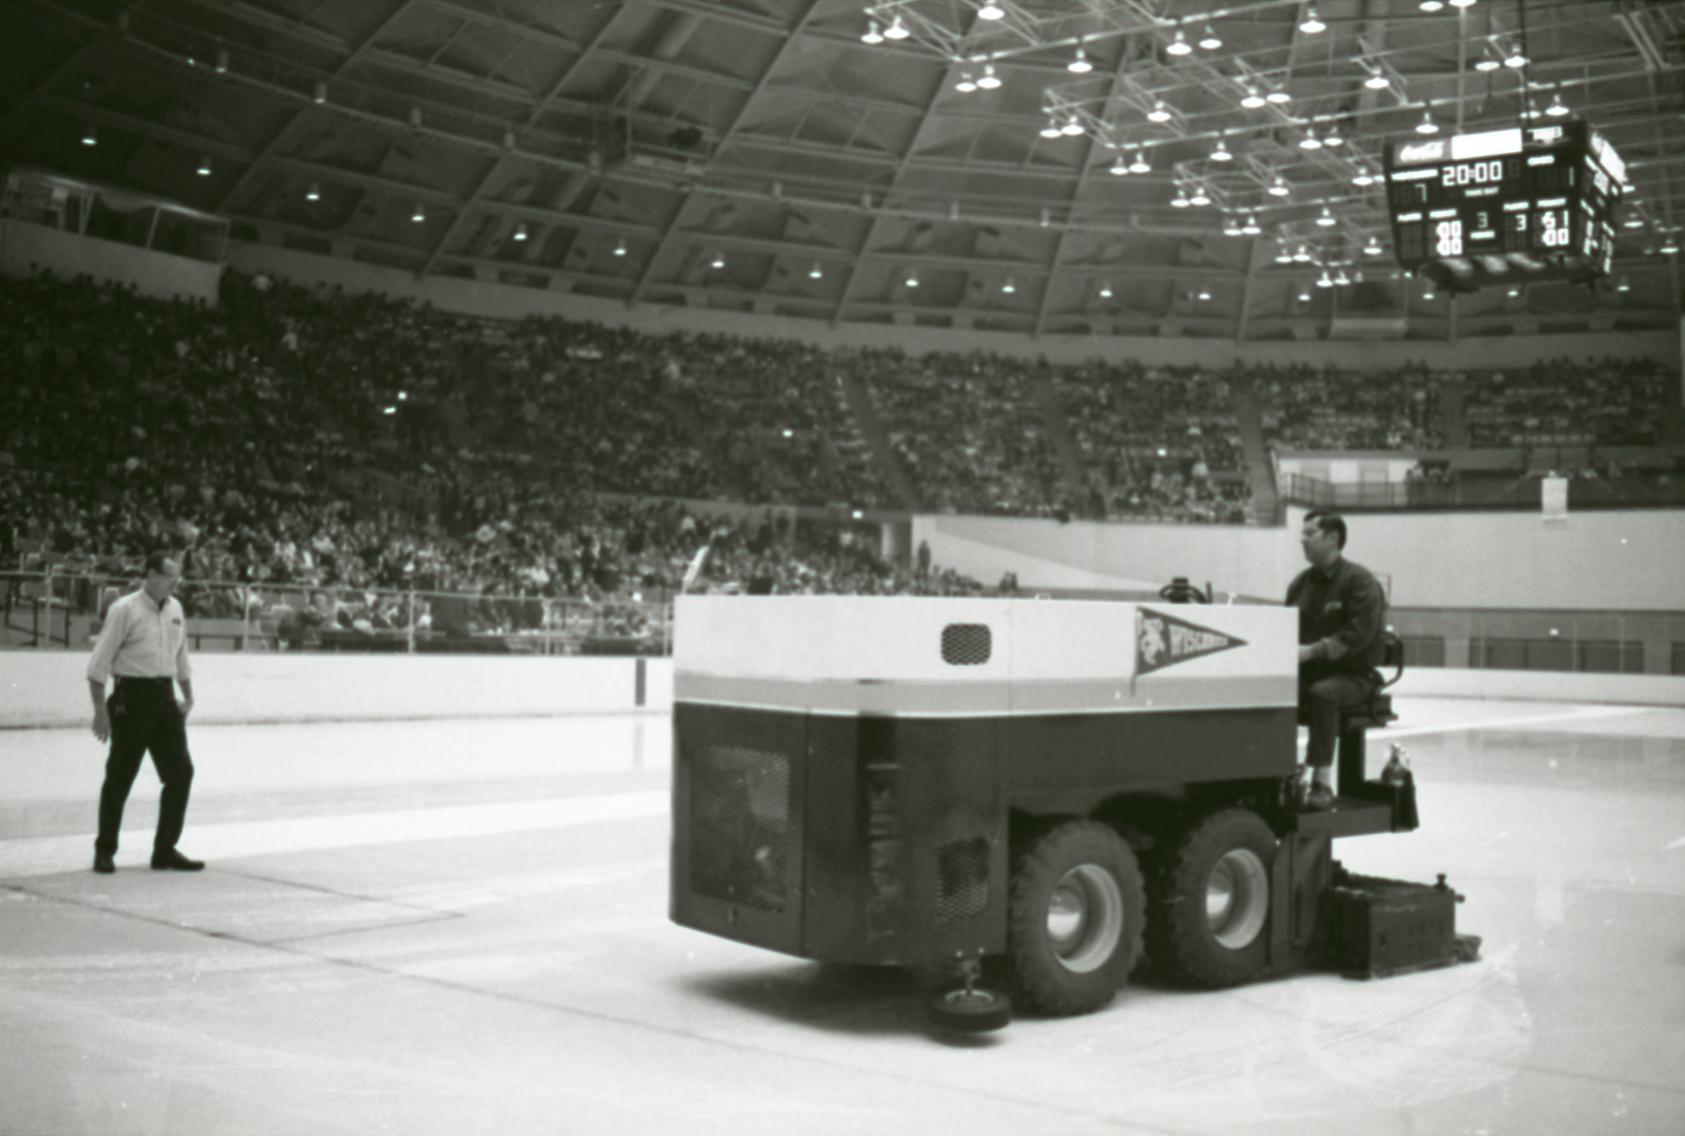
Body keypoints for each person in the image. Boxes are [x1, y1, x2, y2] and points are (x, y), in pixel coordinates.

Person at [86, 552, 202, 873]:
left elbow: (182, 658)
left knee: (181, 773)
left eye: (177, 577)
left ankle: (165, 849)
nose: (175, 583)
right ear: (149, 574)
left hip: (165, 698)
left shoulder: (176, 609)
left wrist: (188, 697)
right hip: (131, 697)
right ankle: (105, 850)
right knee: (121, 776)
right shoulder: (125, 609)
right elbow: (98, 664)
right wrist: (100, 711)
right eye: (169, 576)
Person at [1285, 511, 1387, 810]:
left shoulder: (1360, 582)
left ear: (1332, 539)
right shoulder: (1299, 585)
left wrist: (1312, 651)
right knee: (1268, 690)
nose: (1302, 540)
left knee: (1323, 693)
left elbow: (1358, 636)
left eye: (1309, 533)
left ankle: (1321, 780)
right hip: (1311, 672)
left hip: (1355, 676)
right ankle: (1279, 772)